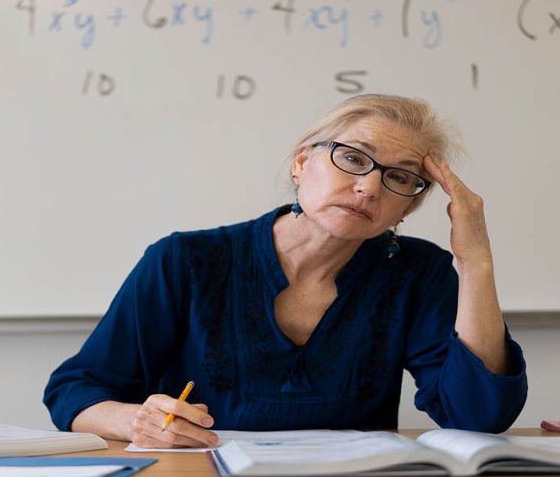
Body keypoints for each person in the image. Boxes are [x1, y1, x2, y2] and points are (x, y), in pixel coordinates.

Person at [44, 94, 528, 448]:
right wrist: (135, 421)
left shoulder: (417, 272)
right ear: (302, 163)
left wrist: (474, 261)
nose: (368, 188)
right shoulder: (185, 260)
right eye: (353, 159)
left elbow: (478, 416)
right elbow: (76, 392)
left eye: (399, 177)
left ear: (409, 205)